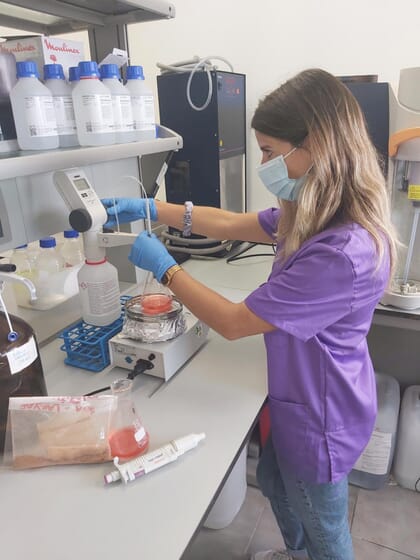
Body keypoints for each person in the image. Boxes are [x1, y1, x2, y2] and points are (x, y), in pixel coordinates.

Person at [101, 68, 398, 560]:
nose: (262, 162)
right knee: (276, 483)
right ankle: (295, 553)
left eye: (267, 150)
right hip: (301, 395)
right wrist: (152, 208)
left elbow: (236, 323)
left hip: (321, 414)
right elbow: (234, 223)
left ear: (316, 144)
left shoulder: (341, 251)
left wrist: (167, 268)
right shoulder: (315, 211)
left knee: (323, 525)